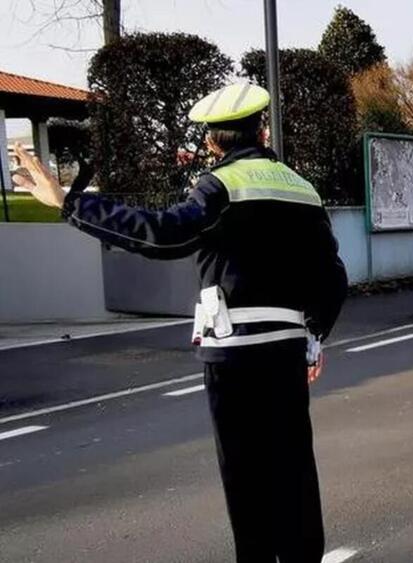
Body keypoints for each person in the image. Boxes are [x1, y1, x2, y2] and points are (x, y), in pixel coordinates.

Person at [13, 82, 348, 562]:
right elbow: (332, 275)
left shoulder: (221, 184)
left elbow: (164, 236)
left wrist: (70, 203)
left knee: (245, 477)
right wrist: (313, 336)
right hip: (286, 351)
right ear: (263, 129)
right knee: (293, 469)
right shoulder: (303, 190)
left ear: (212, 142)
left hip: (232, 354)